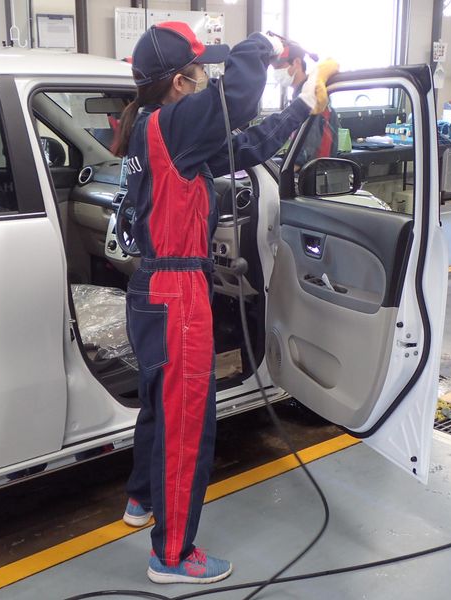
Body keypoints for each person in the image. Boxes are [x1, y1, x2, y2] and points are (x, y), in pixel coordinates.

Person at [110, 22, 338, 585]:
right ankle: (172, 556)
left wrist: (303, 106)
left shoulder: (153, 129)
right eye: (198, 70)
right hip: (177, 293)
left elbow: (248, 146)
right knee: (187, 421)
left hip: (150, 291)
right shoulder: (173, 123)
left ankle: (141, 498)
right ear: (179, 81)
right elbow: (237, 95)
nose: (203, 78)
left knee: (159, 406)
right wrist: (272, 46)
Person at [273, 43, 341, 166]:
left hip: (315, 171)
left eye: (280, 66)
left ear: (297, 62)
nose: (276, 72)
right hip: (313, 168)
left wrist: (284, 172)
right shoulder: (301, 94)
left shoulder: (313, 95)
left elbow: (307, 148)